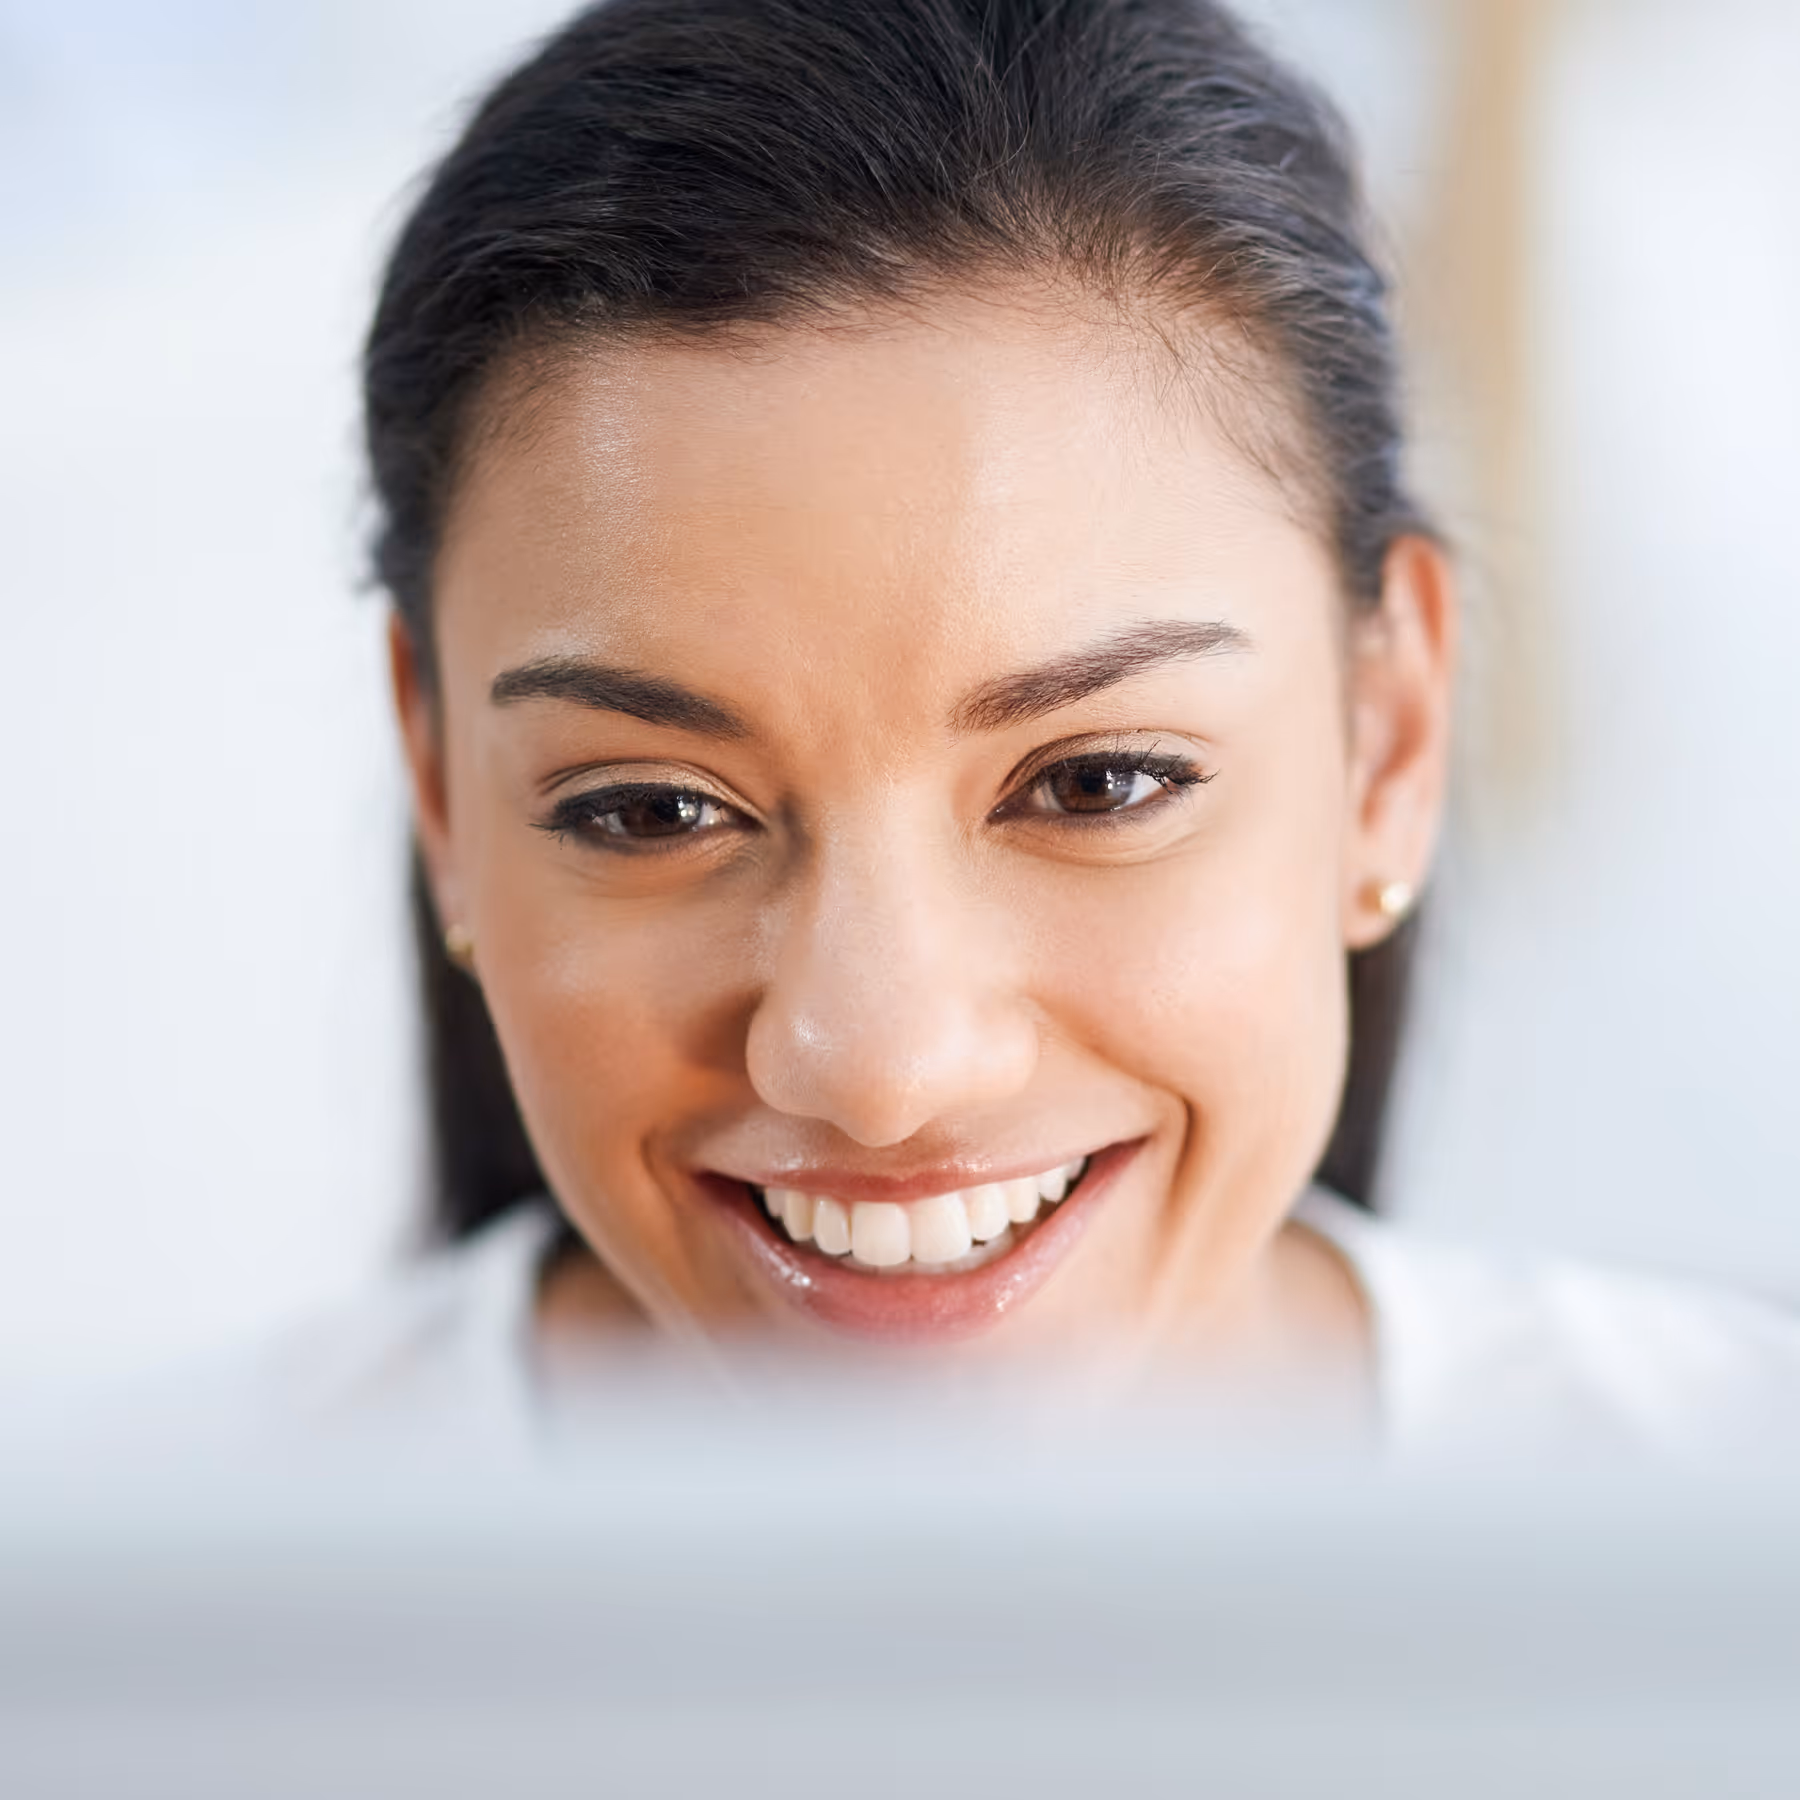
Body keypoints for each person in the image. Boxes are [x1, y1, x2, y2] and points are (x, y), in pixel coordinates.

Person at [255, 0, 1794, 1461]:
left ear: (1384, 741)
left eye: (1097, 782)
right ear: (445, 790)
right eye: (652, 809)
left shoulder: (1731, 1507)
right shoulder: (91, 1643)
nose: (882, 1069)